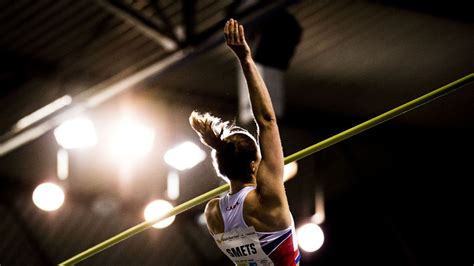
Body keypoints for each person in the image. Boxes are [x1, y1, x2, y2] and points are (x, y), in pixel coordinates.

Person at [189, 19, 301, 266]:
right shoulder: (266, 202)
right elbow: (267, 121)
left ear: (221, 168)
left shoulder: (214, 214)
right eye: (260, 159)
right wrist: (246, 59)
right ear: (253, 166)